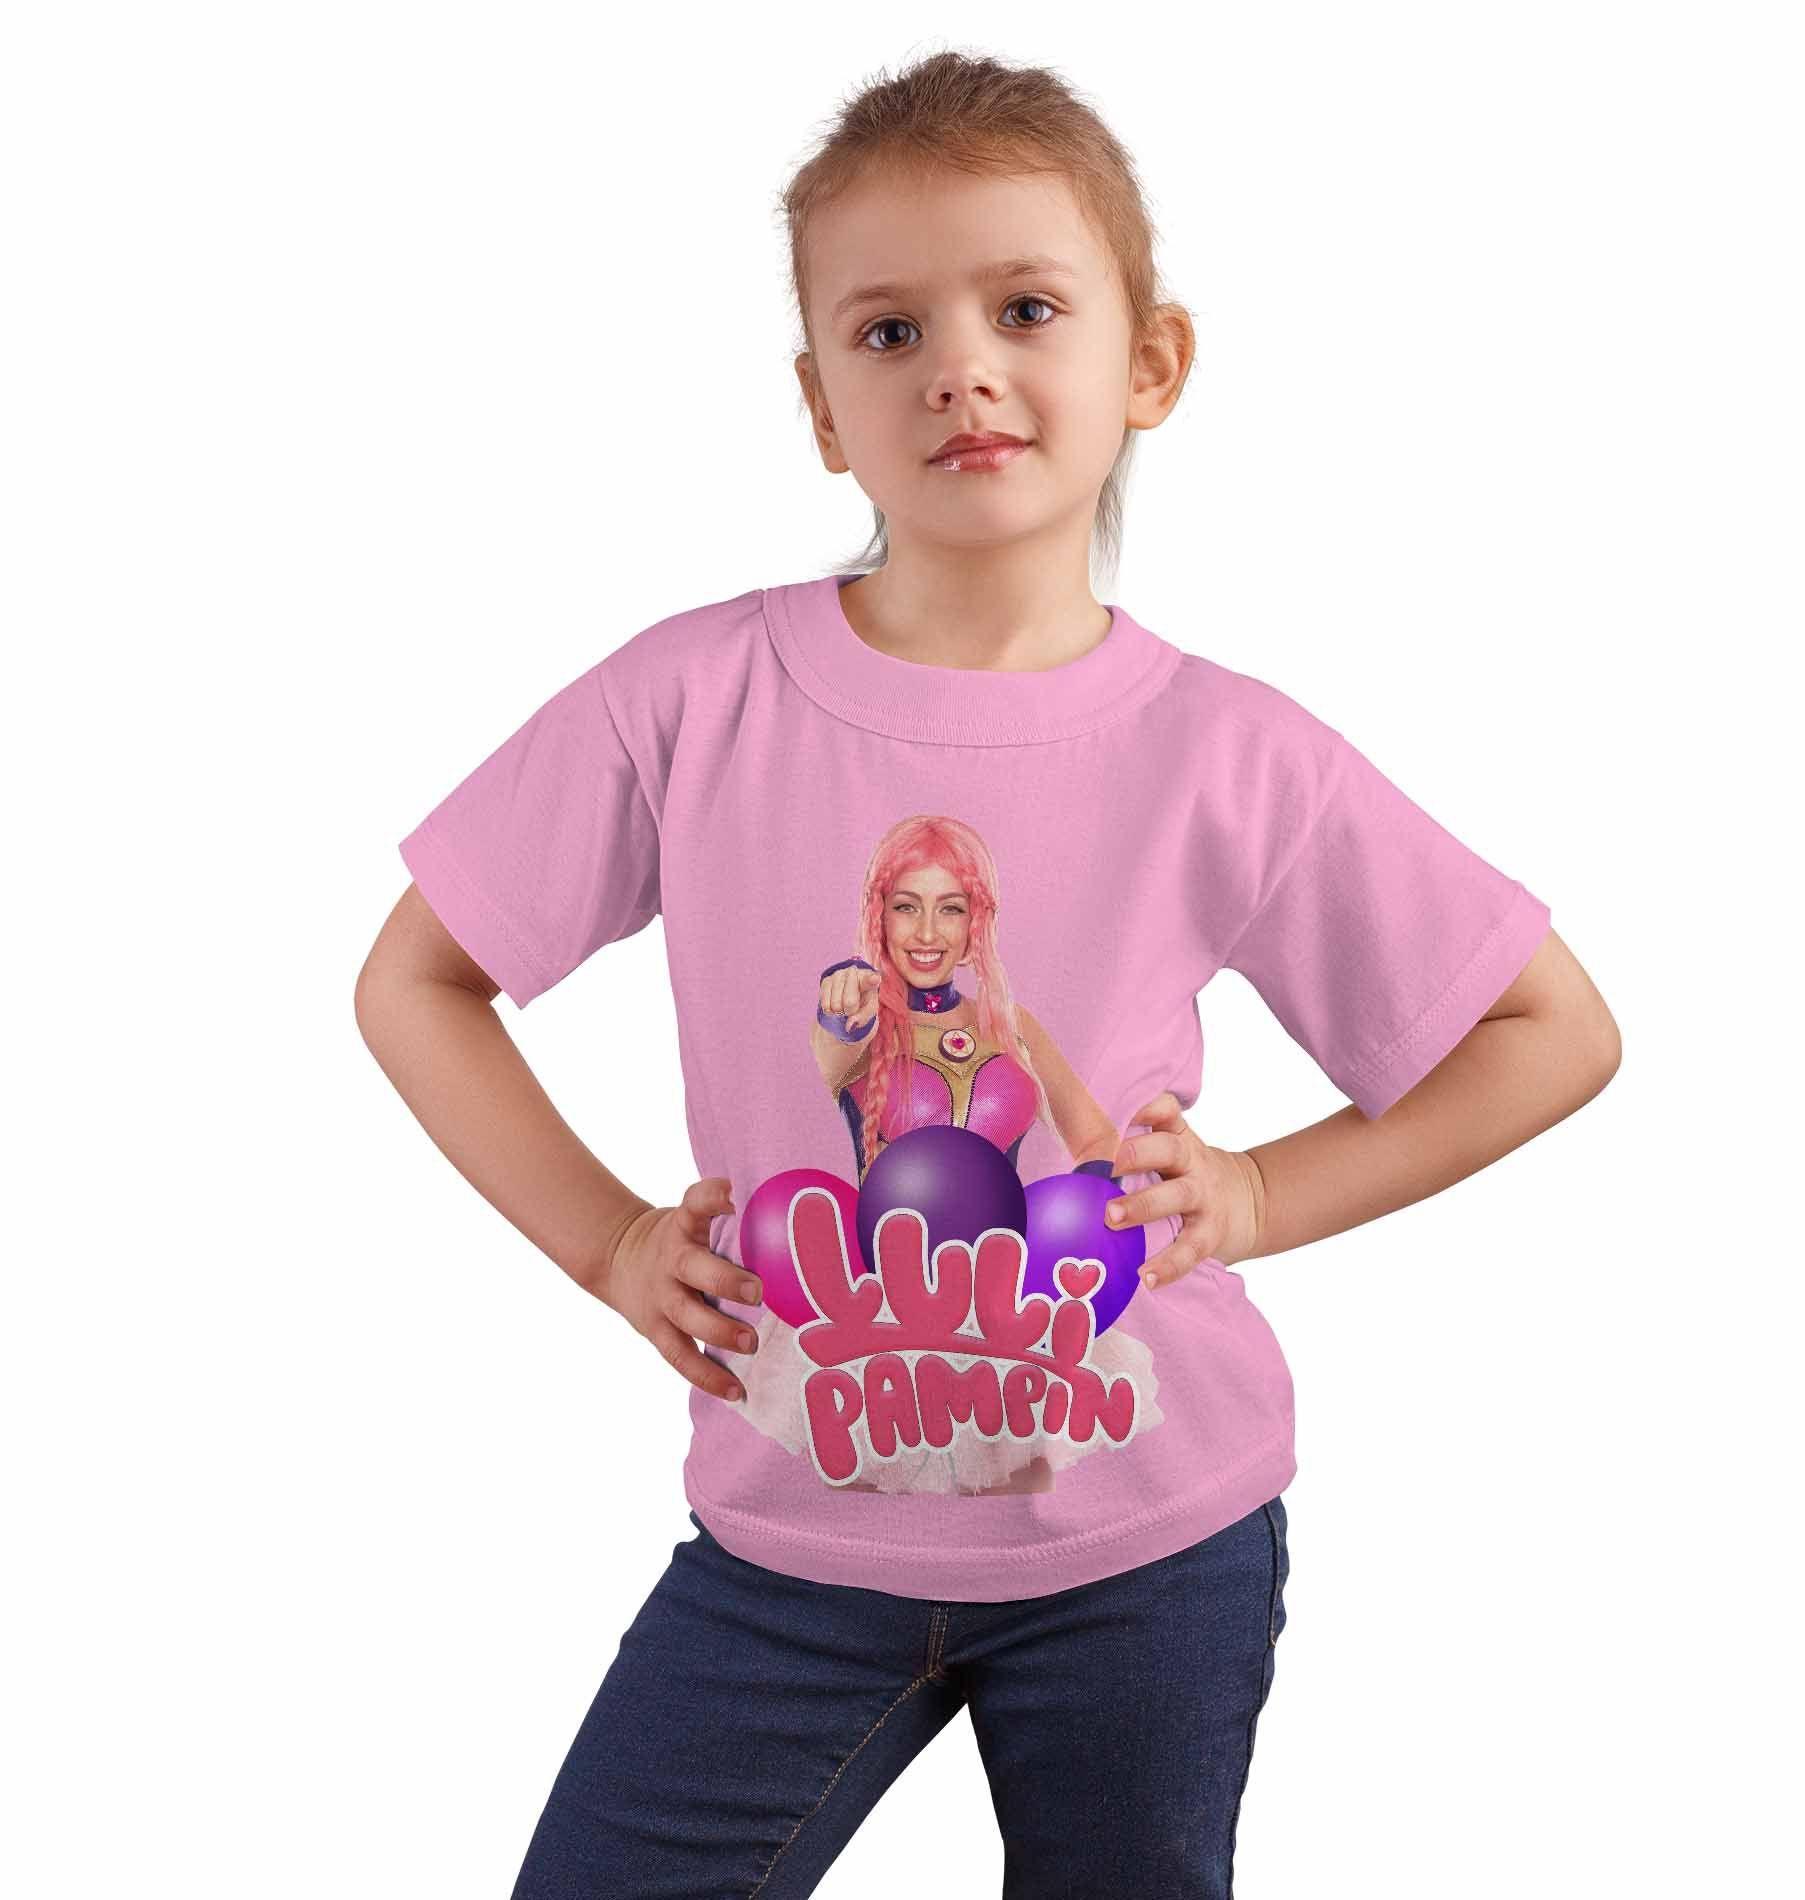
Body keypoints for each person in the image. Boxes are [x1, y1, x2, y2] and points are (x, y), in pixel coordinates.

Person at [354, 48, 1621, 1900]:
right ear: (821, 406)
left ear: (1150, 363)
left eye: (1025, 307)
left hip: (1152, 1543)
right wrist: (612, 1243)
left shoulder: (1229, 752)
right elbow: (416, 979)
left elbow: (1549, 1029)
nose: (958, 367)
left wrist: (1262, 1194)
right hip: (792, 1539)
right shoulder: (689, 705)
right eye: (889, 330)